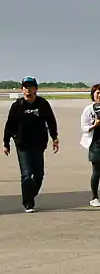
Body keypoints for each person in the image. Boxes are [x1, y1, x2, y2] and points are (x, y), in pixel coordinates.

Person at [3, 76, 59, 213]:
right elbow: (10, 124)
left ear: (36, 89)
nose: (28, 89)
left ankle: (30, 194)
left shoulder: (42, 104)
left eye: (30, 86)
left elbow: (51, 121)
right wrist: (6, 142)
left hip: (38, 144)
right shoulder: (17, 105)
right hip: (22, 144)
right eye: (25, 87)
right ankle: (28, 203)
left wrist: (54, 137)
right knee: (27, 174)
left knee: (39, 174)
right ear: (22, 89)